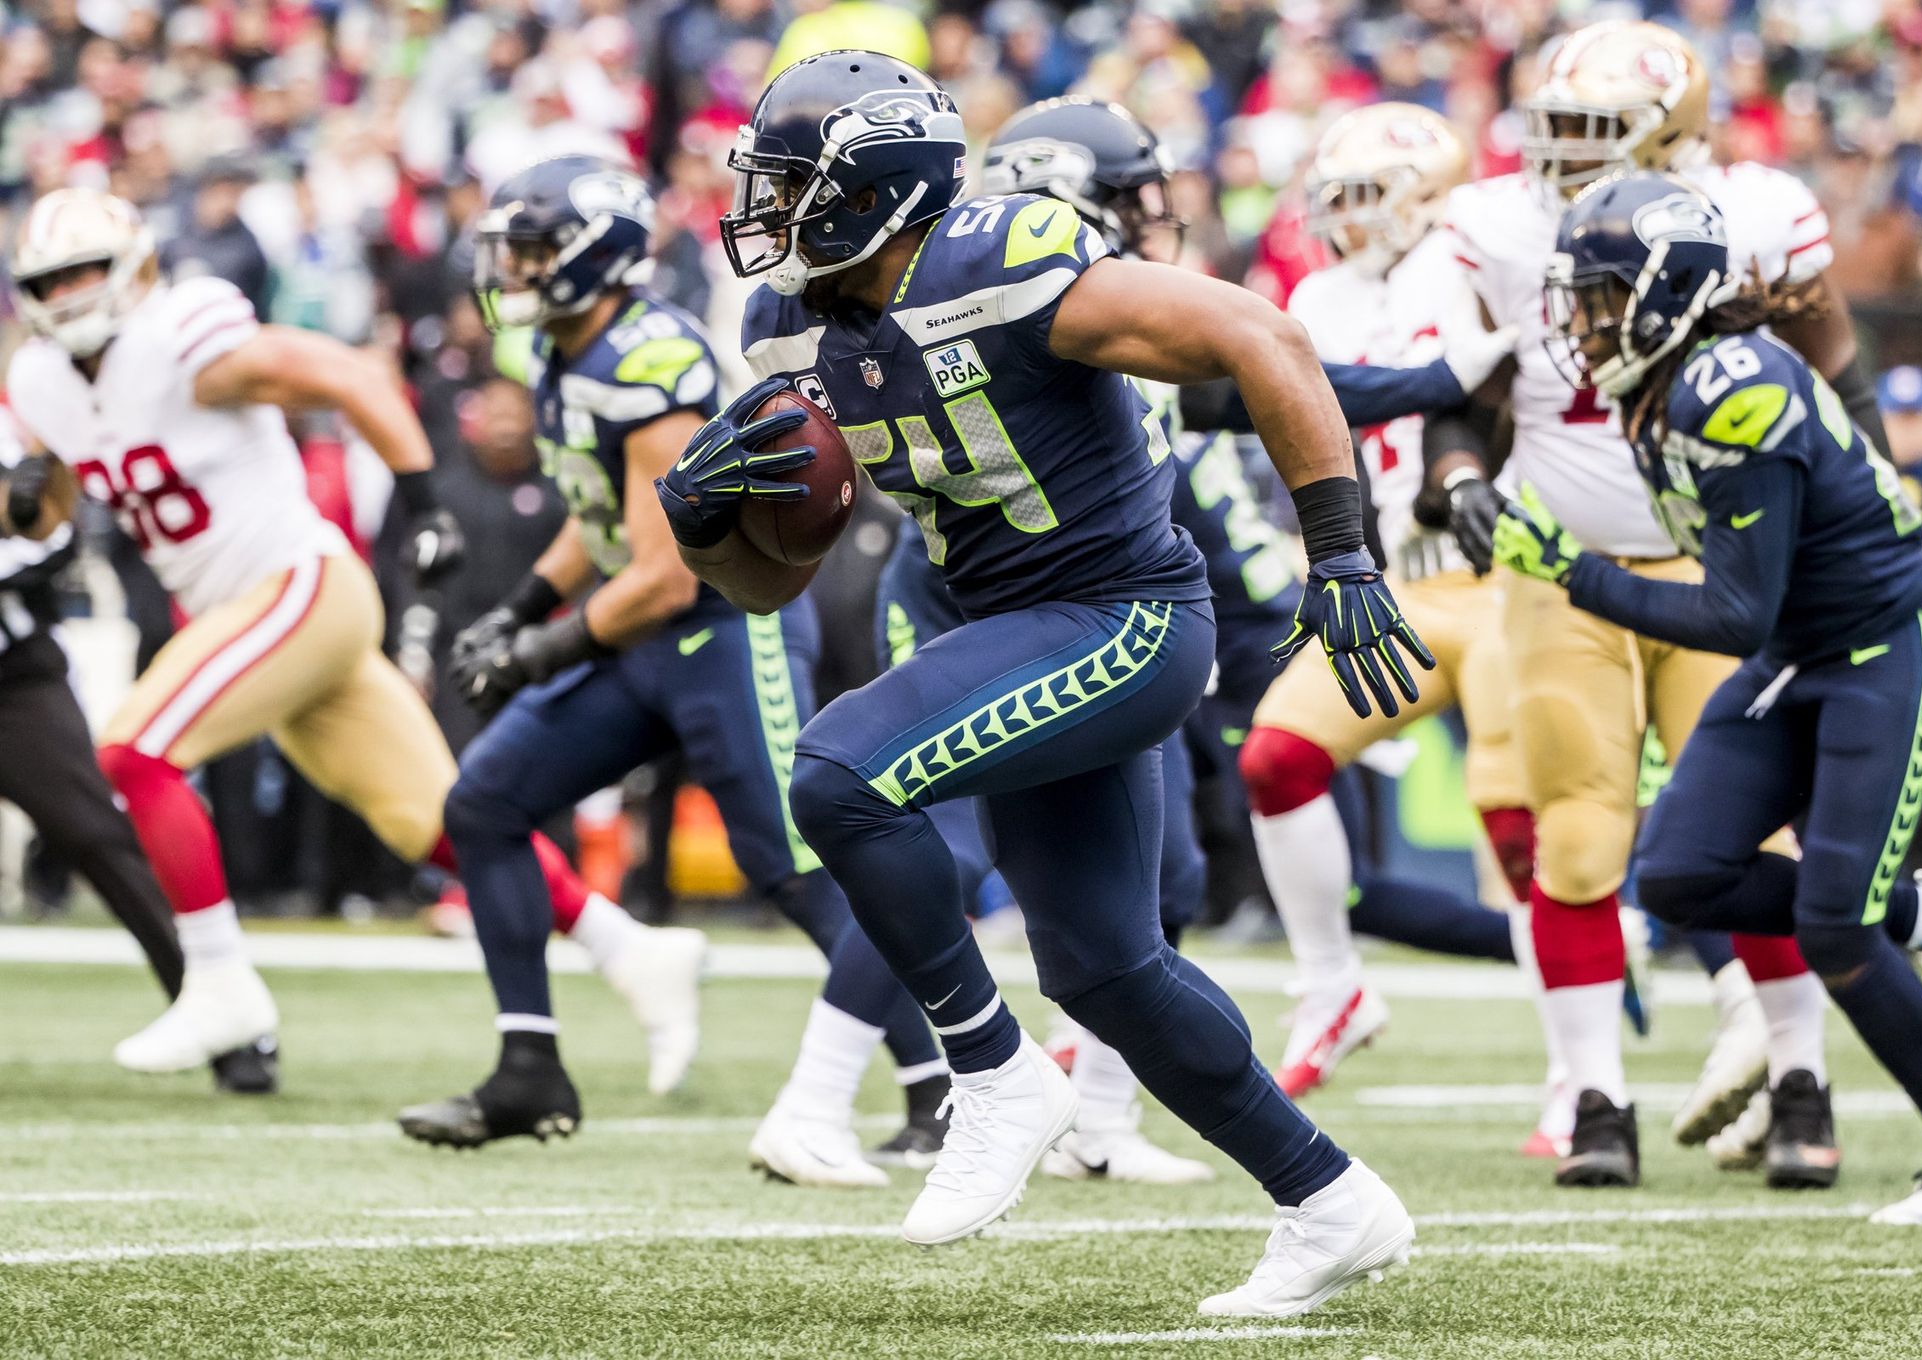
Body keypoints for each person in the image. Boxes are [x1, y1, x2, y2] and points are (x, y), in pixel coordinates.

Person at [663, 52, 1424, 1316]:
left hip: (1124, 616)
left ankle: (992, 1071)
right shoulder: (785, 326)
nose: (768, 210)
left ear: (874, 187)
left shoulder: (998, 262)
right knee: (1105, 966)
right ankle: (1331, 1200)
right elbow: (766, 590)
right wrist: (704, 527)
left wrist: (1340, 550)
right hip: (1007, 622)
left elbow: (1261, 332)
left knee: (843, 773)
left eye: (793, 183)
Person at [3, 187, 698, 1094]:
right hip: (244, 613)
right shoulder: (42, 381)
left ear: (133, 266)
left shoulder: (184, 337)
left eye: (86, 269)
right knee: (440, 820)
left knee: (136, 754)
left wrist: (420, 502)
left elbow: (354, 378)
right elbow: (55, 503)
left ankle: (218, 981)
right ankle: (630, 947)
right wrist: (29, 496)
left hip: (297, 584)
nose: (71, 291)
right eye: (52, 278)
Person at [968, 97, 1522, 1163]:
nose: (1152, 214)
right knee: (907, 839)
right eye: (1131, 195)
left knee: (1157, 875)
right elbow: (1258, 380)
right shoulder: (1052, 316)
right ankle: (955, 1091)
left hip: (1095, 616)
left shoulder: (1086, 306)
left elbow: (1262, 382)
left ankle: (1093, 1110)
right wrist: (1438, 382)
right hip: (1041, 617)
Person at [396, 155, 945, 1181]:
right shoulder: (571, 349)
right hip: (642, 639)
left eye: (530, 249)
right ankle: (527, 1069)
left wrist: (541, 648)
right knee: (482, 804)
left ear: (592, 255)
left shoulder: (647, 361)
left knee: (797, 865)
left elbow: (659, 570)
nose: (510, 269)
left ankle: (940, 1081)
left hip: (720, 633)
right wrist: (521, 607)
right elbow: (598, 514)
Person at [1495, 170, 1922, 1223]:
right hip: (1804, 645)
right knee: (1679, 873)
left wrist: (1577, 571)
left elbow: (1733, 611)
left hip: (1884, 644)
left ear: (1664, 295)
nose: (1583, 323)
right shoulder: (1666, 383)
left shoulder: (1727, 387)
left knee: (1834, 923)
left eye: (1600, 297)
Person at [1435, 21, 1875, 1185]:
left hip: (1721, 561)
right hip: (1561, 557)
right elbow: (1458, 394)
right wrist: (1458, 479)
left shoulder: (1758, 214)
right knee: (1577, 837)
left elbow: (1838, 366)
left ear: (1678, 140)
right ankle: (1593, 1102)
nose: (1564, 158)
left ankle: (1798, 1078)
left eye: (1595, 134)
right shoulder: (1498, 225)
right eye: (1557, 130)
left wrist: (1883, 513)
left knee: (1750, 834)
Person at [1234, 101, 1546, 1107]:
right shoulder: (1318, 293)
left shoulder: (1474, 257)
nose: (1348, 216)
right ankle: (1331, 985)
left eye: (1368, 194)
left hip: (1507, 575)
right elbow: (1318, 400)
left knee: (1524, 831)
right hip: (1395, 579)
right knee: (1276, 759)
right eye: (1336, 197)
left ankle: (1583, 1078)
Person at [0, 412, 270, 1088]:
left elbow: (57, 534)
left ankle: (226, 1021)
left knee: (100, 834)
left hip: (13, 683)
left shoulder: (12, 425)